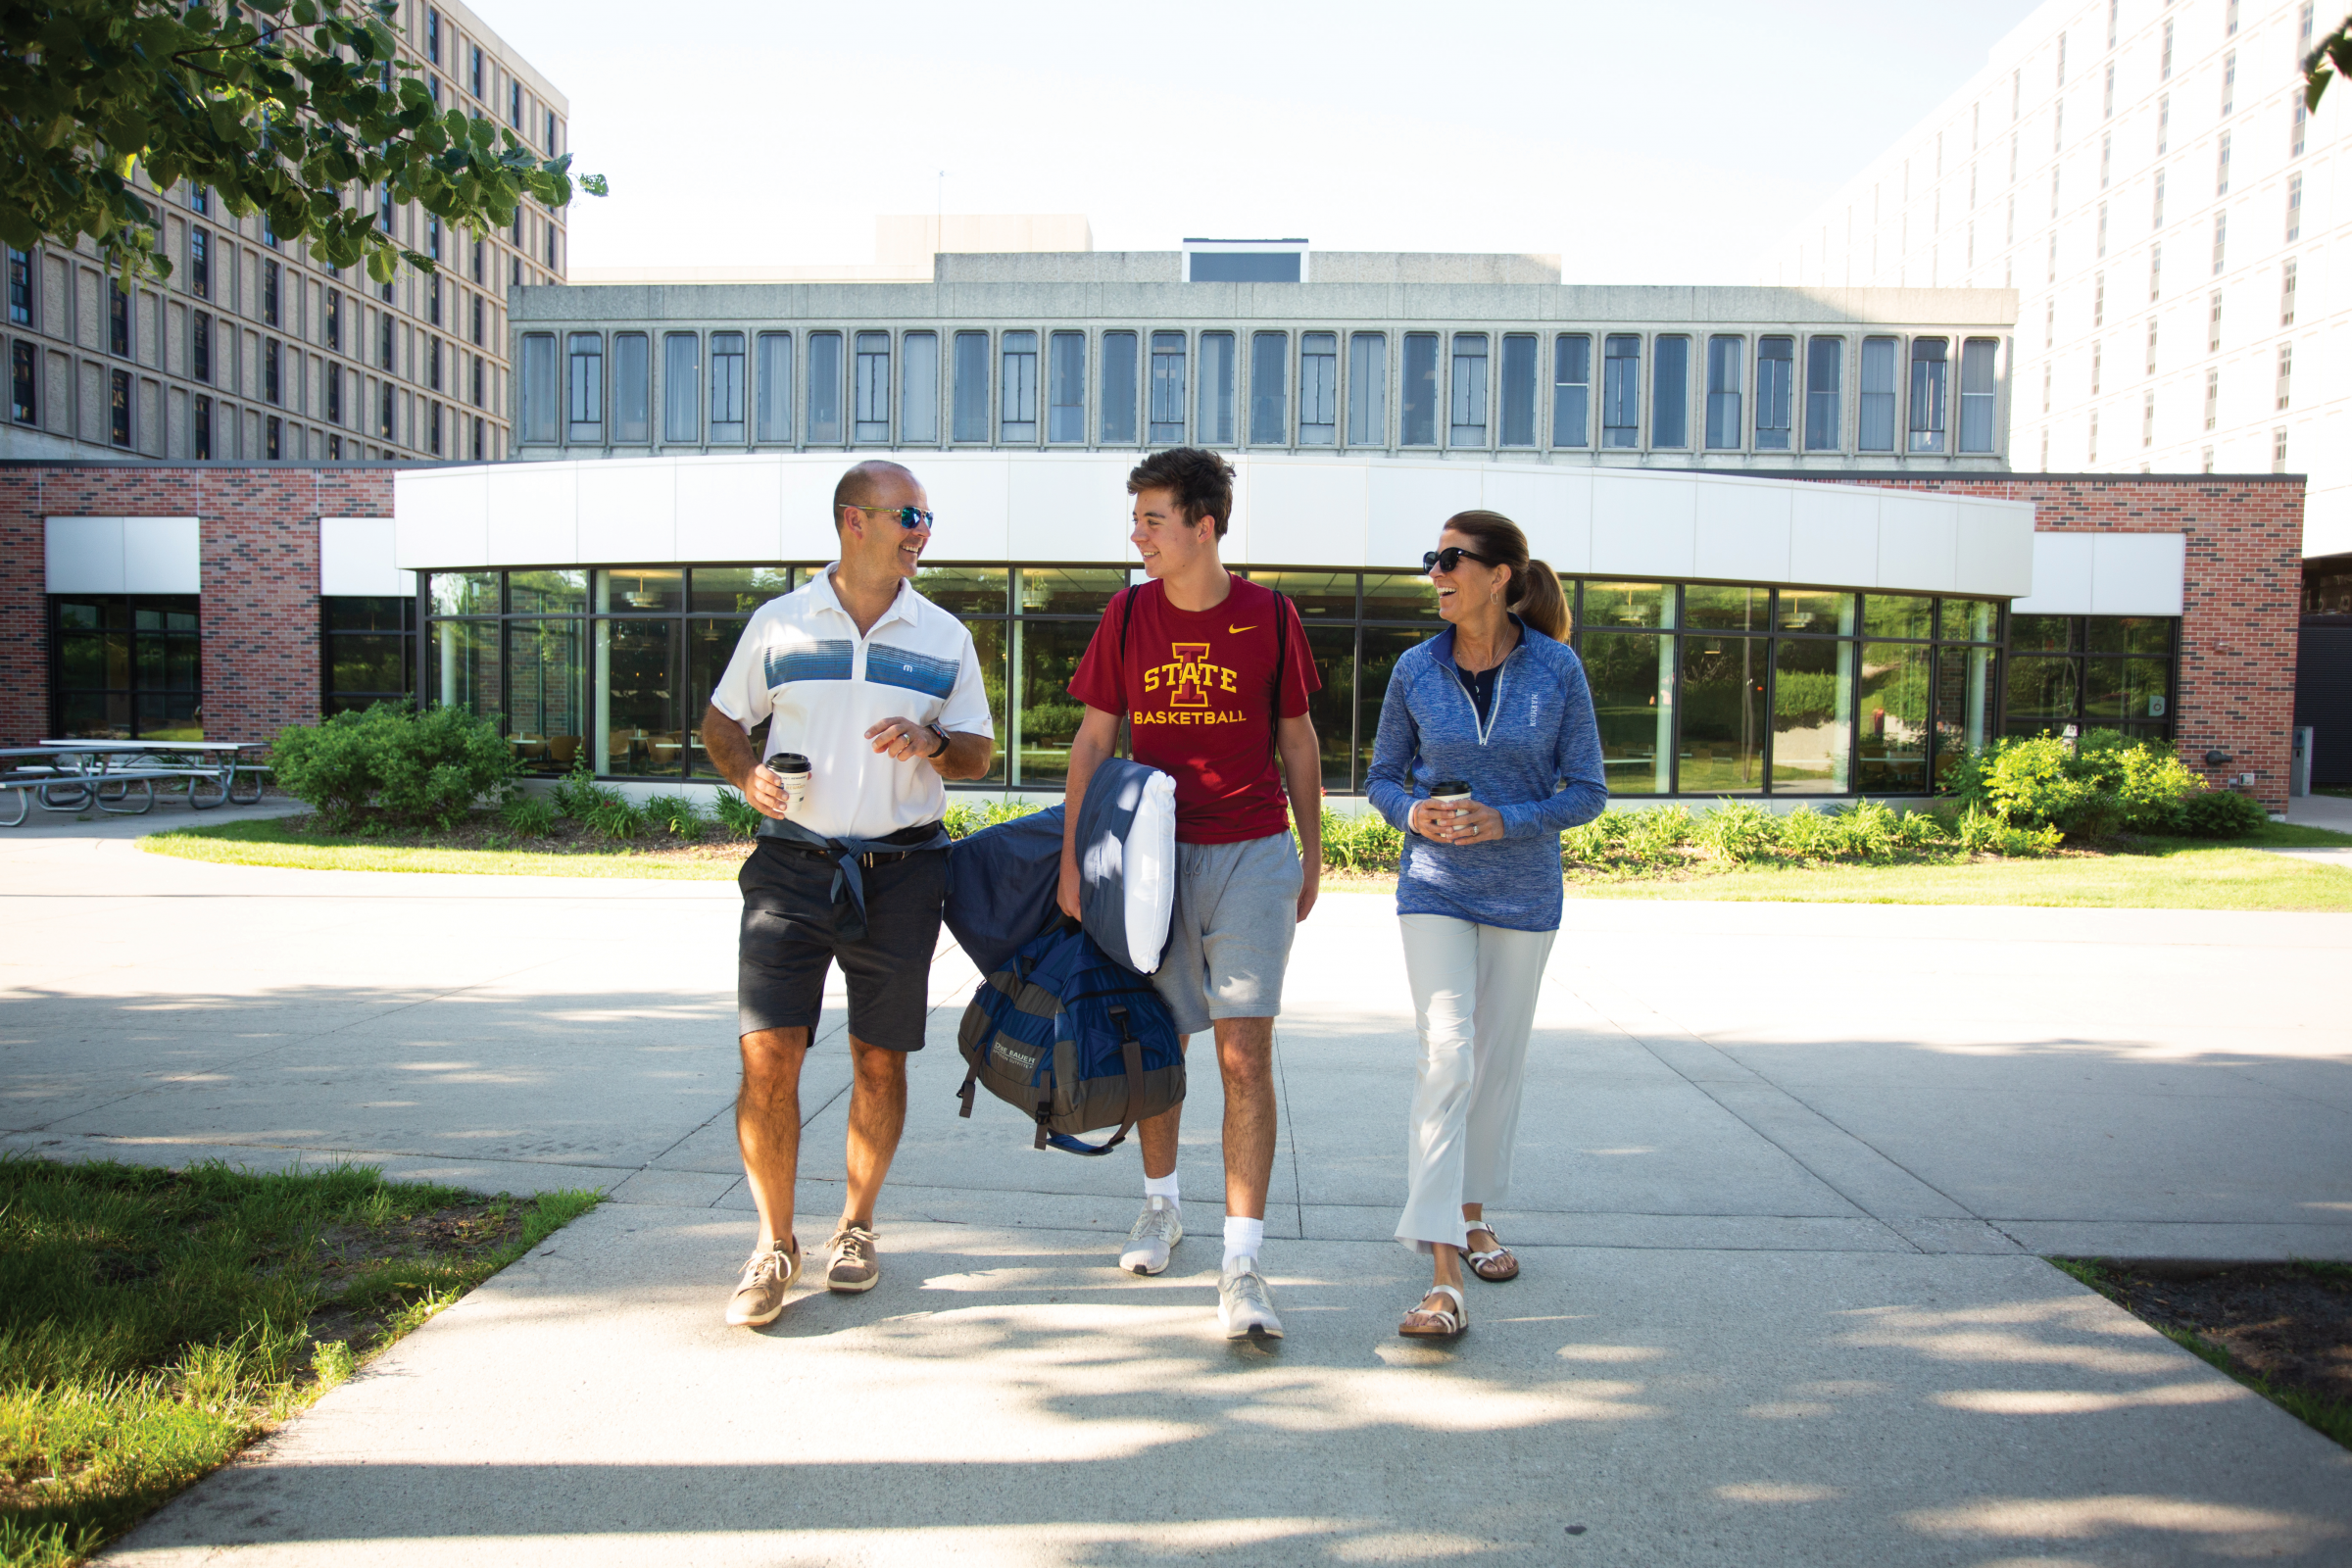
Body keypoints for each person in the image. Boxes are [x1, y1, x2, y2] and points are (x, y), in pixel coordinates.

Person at [703, 460, 997, 1328]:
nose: (921, 531)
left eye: (928, 518)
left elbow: (979, 753)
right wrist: (745, 775)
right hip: (791, 867)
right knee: (769, 1056)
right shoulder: (780, 622)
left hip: (904, 874)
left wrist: (932, 739)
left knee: (880, 1058)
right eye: (907, 515)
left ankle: (857, 1227)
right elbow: (723, 721)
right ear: (852, 521)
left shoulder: (943, 634)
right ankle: (772, 1242)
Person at [1060, 447, 1322, 1341]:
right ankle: (1162, 1205)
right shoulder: (1128, 614)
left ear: (1205, 526)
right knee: (1159, 1042)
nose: (1137, 536)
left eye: (1153, 520)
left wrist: (1312, 854)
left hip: (1251, 851)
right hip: (1149, 860)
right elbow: (1093, 743)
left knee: (1244, 1056)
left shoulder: (1271, 615)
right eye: (1137, 519)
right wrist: (1071, 865)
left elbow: (1298, 741)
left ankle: (1243, 1262)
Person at [1363, 510, 1605, 1340]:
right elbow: (1381, 778)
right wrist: (1414, 814)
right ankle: (1440, 1272)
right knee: (1446, 1057)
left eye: (1451, 559)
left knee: (1495, 1070)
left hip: (1524, 895)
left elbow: (1588, 791)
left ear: (1500, 575)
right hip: (1434, 888)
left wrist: (1508, 821)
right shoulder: (1413, 668)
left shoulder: (1557, 670)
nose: (1435, 571)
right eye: (1431, 558)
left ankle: (1471, 1215)